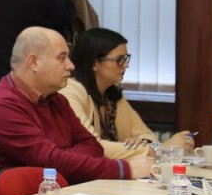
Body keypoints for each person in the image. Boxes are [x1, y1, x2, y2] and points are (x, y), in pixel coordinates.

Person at [0, 27, 155, 186]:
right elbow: (51, 161)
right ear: (34, 62)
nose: (71, 66)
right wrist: (124, 169)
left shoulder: (56, 99)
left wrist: (62, 157)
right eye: (62, 58)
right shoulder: (1, 106)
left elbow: (92, 146)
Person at [61, 28, 195, 160]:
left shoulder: (112, 95)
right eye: (119, 60)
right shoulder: (70, 92)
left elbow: (145, 134)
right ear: (94, 64)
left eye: (126, 58)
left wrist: (141, 143)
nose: (126, 65)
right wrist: (160, 148)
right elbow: (93, 146)